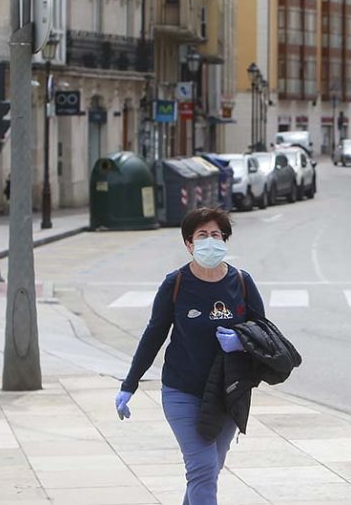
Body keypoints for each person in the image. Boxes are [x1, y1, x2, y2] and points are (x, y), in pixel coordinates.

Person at [116, 207, 266, 505]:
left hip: (228, 392)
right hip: (182, 390)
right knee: (202, 469)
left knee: (210, 470)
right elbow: (153, 336)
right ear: (189, 243)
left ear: (225, 240)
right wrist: (129, 384)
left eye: (216, 235)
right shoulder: (176, 284)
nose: (210, 241)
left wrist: (241, 341)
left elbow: (263, 331)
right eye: (202, 235)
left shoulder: (241, 282)